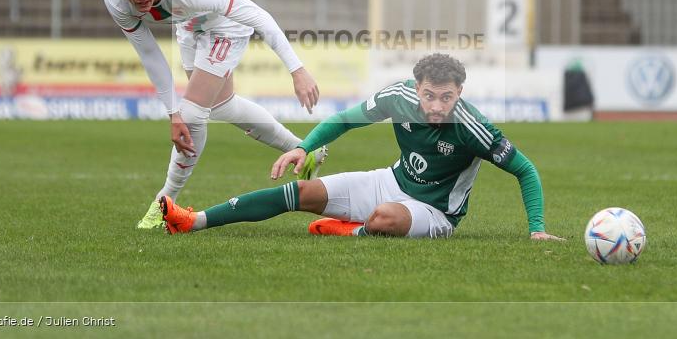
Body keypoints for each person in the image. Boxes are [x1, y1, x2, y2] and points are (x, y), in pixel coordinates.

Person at [158, 53, 564, 240]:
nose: (436, 106)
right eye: (429, 95)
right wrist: (305, 147)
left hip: (436, 212)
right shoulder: (398, 97)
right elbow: (342, 120)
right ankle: (192, 220)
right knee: (301, 192)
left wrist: (538, 230)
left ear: (460, 92)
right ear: (416, 88)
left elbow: (525, 170)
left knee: (384, 218)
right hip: (390, 180)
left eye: (446, 97)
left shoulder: (473, 126)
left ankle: (353, 231)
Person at [104, 0, 327, 230]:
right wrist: (172, 112)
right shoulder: (115, 0)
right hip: (188, 23)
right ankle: (306, 149)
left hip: (225, 25)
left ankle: (162, 204)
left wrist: (296, 69)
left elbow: (260, 17)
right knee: (221, 106)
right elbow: (150, 55)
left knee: (194, 113)